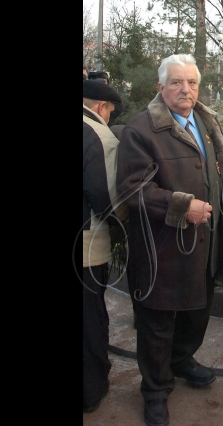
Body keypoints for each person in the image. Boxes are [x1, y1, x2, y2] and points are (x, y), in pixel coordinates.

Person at [116, 54, 223, 426]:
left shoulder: (206, 121)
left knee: (198, 312)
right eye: (176, 83)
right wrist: (183, 206)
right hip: (162, 249)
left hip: (205, 242)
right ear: (160, 87)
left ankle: (182, 361)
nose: (186, 90)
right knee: (157, 322)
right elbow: (130, 190)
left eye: (192, 83)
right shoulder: (141, 130)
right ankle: (155, 390)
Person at [82, 79, 128, 413]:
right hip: (84, 247)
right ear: (101, 107)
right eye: (110, 111)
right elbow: (108, 199)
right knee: (89, 317)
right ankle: (90, 388)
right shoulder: (99, 136)